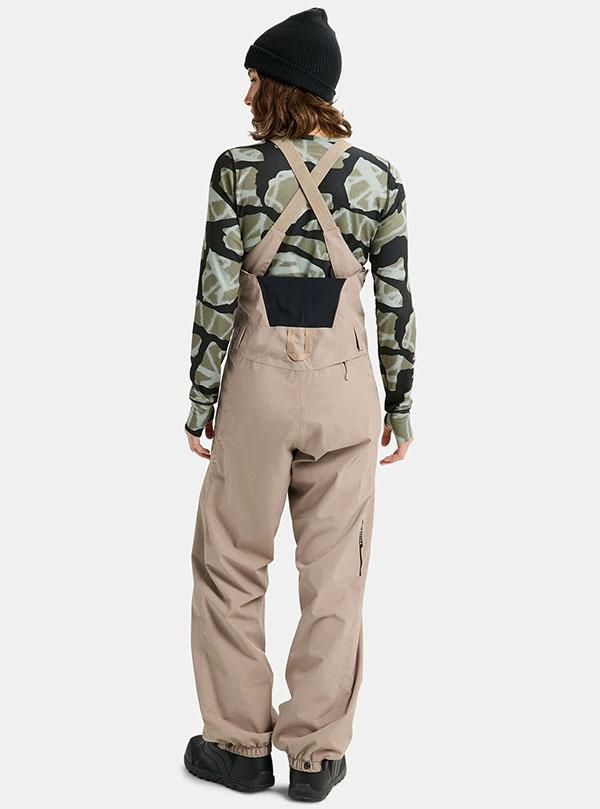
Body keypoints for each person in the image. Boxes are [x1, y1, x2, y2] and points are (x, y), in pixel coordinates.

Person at [183, 7, 416, 801]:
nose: (246, 90)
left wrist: (200, 399)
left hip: (256, 391)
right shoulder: (380, 178)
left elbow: (217, 293)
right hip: (347, 394)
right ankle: (316, 757)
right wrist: (401, 404)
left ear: (277, 83)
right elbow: (394, 301)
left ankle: (238, 748)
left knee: (230, 564)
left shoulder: (236, 170)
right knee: (337, 577)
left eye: (253, 76)